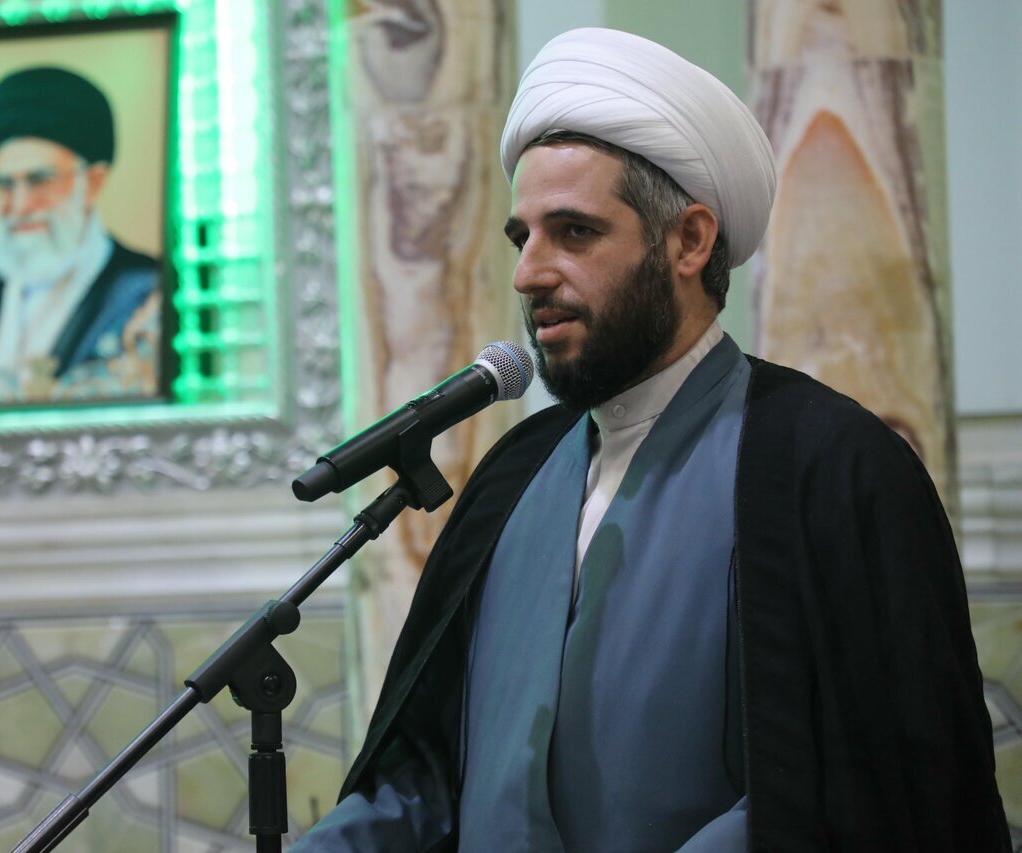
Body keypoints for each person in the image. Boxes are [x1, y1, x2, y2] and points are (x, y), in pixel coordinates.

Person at [294, 28, 1008, 852]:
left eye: (574, 232)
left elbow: (859, 789)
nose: (529, 273)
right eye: (523, 237)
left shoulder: (830, 467)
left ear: (690, 241)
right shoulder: (515, 476)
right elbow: (427, 773)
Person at [0, 66, 164, 401]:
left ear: (93, 183)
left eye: (40, 181)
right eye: (4, 185)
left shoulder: (149, 296)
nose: (20, 205)